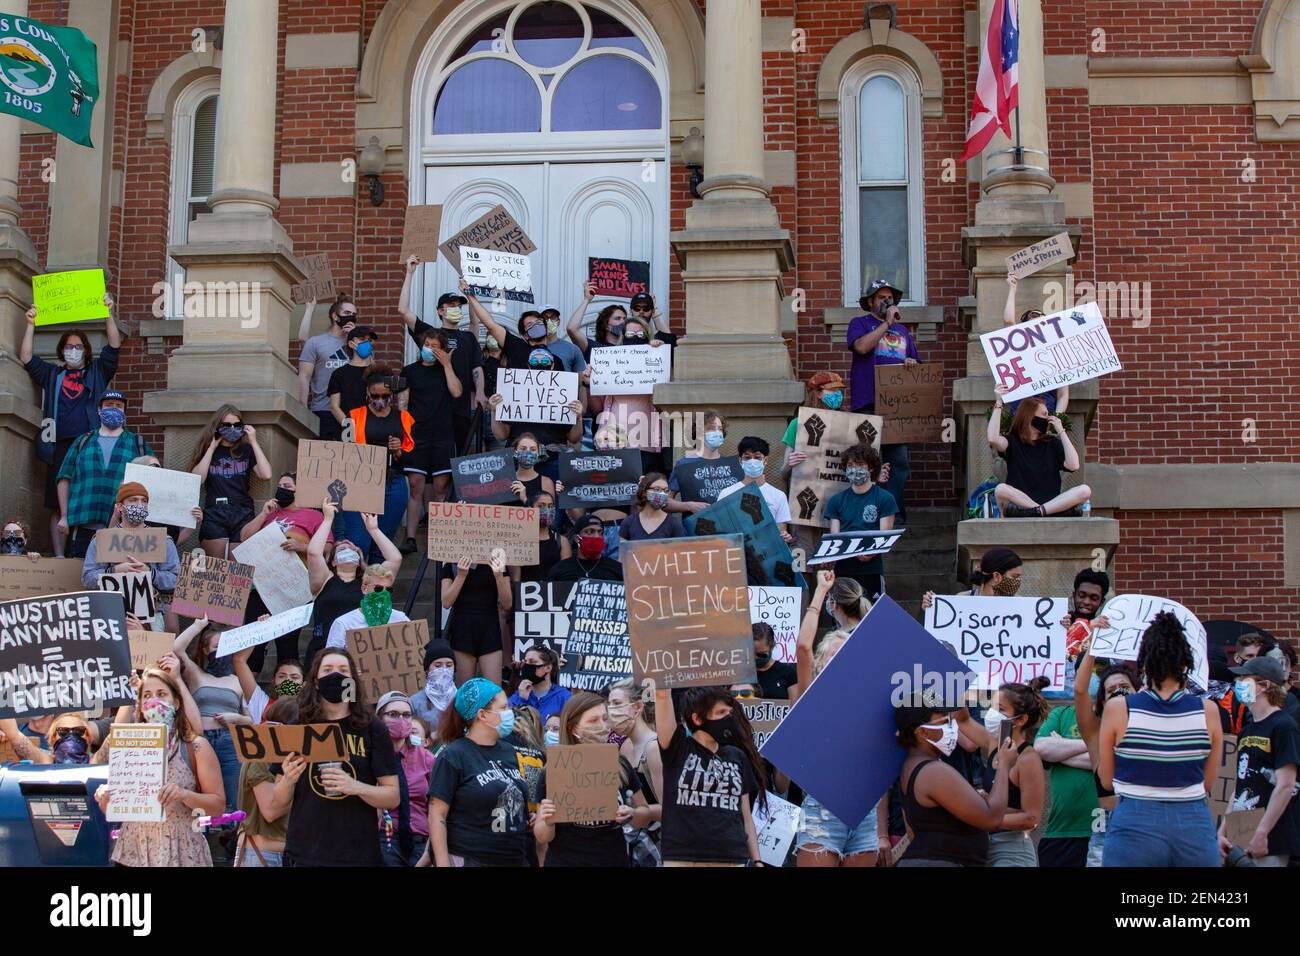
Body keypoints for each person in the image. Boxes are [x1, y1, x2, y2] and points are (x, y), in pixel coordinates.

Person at [1099, 612, 1223, 867]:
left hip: (1134, 820)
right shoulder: (1209, 711)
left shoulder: (1119, 709)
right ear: (1185, 662)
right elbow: (1208, 782)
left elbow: (1106, 779)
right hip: (1193, 822)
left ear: (1144, 662)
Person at [267, 649, 400, 867]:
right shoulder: (298, 725)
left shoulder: (372, 727)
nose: (335, 675)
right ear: (316, 682)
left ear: (352, 680)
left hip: (358, 853)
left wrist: (355, 786)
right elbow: (277, 804)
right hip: (305, 852)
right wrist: (288, 780)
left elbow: (393, 796)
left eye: (342, 670)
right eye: (327, 670)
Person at [22, 295, 122, 557]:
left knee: (86, 499)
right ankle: (59, 556)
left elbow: (114, 345)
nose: (73, 350)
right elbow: (26, 358)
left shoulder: (97, 372)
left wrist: (107, 313)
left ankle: (84, 554)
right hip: (59, 445)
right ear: (62, 350)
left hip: (90, 446)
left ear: (86, 350)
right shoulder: (53, 375)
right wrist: (31, 323)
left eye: (78, 346)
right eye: (68, 346)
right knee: (58, 503)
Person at [94, 666, 224, 867]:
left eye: (162, 694)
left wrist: (183, 795)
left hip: (182, 853)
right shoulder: (126, 744)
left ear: (177, 702)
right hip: (133, 852)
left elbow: (217, 806)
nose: (154, 700)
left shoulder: (196, 747)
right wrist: (107, 799)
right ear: (140, 704)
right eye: (147, 695)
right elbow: (113, 805)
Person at [791, 625, 885, 867]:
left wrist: (882, 832)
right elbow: (802, 648)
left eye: (848, 655)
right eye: (836, 655)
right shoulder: (812, 699)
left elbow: (882, 773)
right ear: (821, 663)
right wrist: (821, 590)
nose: (843, 660)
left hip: (865, 813)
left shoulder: (871, 707)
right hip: (823, 809)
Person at [534, 691, 657, 866]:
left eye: (605, 718)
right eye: (593, 720)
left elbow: (644, 816)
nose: (602, 725)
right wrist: (548, 821)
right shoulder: (553, 770)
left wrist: (632, 813)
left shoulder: (619, 764)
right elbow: (542, 836)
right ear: (574, 728)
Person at [894, 694, 1019, 867]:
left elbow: (914, 829)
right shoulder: (933, 772)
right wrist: (1004, 764)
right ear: (922, 731)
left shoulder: (913, 767)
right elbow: (992, 818)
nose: (951, 727)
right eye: (945, 722)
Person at [654, 685, 764, 866]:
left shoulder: (737, 756)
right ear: (697, 718)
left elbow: (745, 816)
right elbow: (661, 696)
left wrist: (757, 860)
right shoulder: (678, 747)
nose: (729, 717)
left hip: (731, 857)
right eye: (721, 712)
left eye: (730, 712)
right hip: (684, 858)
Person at [426, 678, 530, 867]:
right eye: (504, 707)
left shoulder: (509, 750)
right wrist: (442, 864)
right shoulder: (453, 755)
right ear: (482, 715)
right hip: (470, 858)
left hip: (514, 858)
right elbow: (437, 815)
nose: (510, 713)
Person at [955, 679, 1050, 866]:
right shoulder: (993, 744)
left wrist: (986, 816)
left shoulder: (1028, 759)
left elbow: (1031, 818)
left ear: (1021, 720)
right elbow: (963, 719)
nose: (992, 714)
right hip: (984, 846)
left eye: (1001, 709)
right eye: (992, 707)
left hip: (1012, 851)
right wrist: (953, 685)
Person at [846, 279, 920, 519]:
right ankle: (867, 513)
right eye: (881, 297)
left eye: (890, 298)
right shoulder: (860, 323)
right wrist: (886, 324)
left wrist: (911, 363)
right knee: (867, 459)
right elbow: (861, 348)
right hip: (868, 404)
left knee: (899, 462)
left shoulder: (903, 332)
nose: (887, 301)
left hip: (897, 408)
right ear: (870, 302)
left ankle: (892, 512)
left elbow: (915, 364)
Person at [399, 259, 487, 453]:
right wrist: (410, 274)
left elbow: (477, 367)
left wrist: (480, 391)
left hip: (462, 408)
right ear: (441, 310)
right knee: (438, 463)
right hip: (434, 411)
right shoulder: (431, 335)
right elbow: (403, 311)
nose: (456, 308)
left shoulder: (468, 338)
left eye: (459, 306)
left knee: (466, 457)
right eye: (451, 305)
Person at [1218, 655, 1299, 865]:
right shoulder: (1247, 730)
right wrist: (1223, 830)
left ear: (1264, 685)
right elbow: (1240, 783)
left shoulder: (1283, 725)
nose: (1238, 684)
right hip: (1242, 827)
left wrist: (1262, 833)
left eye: (1245, 679)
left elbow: (1286, 784)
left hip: (1272, 835)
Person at [56, 390, 154, 558]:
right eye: (109, 406)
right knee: (82, 576)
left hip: (124, 529)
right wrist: (64, 516)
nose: (114, 409)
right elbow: (64, 478)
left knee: (117, 574)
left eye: (118, 406)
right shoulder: (82, 441)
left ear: (124, 412)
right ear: (99, 410)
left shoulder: (137, 443)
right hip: (83, 525)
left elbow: (153, 477)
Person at [305, 499, 402, 668]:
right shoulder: (324, 580)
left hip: (363, 655)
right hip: (324, 652)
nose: (347, 547)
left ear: (359, 559)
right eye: (341, 548)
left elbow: (395, 559)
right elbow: (314, 552)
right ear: (334, 561)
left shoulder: (370, 582)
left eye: (352, 548)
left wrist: (373, 529)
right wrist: (327, 519)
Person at [171, 616, 246, 814]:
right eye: (216, 646)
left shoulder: (238, 681)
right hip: (200, 742)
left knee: (231, 801)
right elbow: (176, 650)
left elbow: (252, 719)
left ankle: (228, 838)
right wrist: (198, 625)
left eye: (226, 647)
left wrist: (235, 719)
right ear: (205, 650)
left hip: (229, 741)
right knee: (200, 796)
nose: (221, 651)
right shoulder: (196, 674)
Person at [1071, 643, 1137, 867]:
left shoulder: (1151, 726)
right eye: (1111, 690)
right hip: (1106, 826)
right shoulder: (1095, 733)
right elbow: (1080, 691)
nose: (1119, 691)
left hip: (1143, 824)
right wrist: (1092, 645)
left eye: (1125, 686)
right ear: (1103, 701)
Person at [400, 324, 463, 553]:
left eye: (435, 347)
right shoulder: (409, 371)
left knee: (440, 487)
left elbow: (456, 392)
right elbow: (402, 404)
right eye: (427, 345)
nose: (429, 349)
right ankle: (410, 537)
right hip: (417, 435)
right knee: (415, 485)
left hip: (443, 435)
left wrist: (446, 364)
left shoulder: (447, 369)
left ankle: (439, 537)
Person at [344, 368, 414, 561]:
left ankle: (377, 590)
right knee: (358, 543)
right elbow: (343, 450)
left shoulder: (404, 417)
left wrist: (399, 450)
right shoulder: (353, 415)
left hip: (393, 481)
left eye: (385, 395)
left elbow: (415, 455)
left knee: (383, 545)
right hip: (361, 483)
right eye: (375, 395)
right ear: (367, 393)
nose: (380, 400)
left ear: (391, 395)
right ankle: (353, 588)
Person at [988, 388, 1091, 517]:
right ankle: (1040, 510)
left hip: (1052, 502)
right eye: (1044, 414)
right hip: (1022, 503)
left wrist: (1061, 432)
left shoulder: (1052, 443)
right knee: (1001, 489)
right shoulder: (1012, 442)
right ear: (1030, 416)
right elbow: (993, 438)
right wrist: (998, 403)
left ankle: (1039, 511)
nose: (1048, 418)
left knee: (1084, 490)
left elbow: (1074, 465)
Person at [190, 404, 272, 559]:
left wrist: (253, 441)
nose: (232, 429)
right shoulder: (207, 449)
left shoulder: (246, 450)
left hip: (242, 510)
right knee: (216, 566)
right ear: (218, 426)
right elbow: (197, 480)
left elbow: (266, 474)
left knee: (237, 567)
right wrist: (212, 448)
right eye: (227, 425)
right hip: (215, 511)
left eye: (237, 425)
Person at [589, 315, 668, 473]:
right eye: (630, 335)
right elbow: (597, 407)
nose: (635, 338)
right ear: (623, 336)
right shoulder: (610, 362)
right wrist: (590, 381)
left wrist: (659, 355)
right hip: (612, 440)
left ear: (647, 336)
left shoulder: (657, 358)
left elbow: (667, 396)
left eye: (640, 335)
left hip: (644, 440)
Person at [822, 442, 897, 601]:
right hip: (843, 570)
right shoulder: (836, 501)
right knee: (842, 619)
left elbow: (884, 536)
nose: (855, 469)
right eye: (850, 465)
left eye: (860, 465)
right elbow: (835, 538)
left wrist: (871, 552)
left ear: (870, 468)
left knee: (873, 618)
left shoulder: (885, 499)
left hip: (872, 570)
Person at [1033, 694, 1100, 868]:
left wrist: (1061, 748)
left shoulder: (1117, 717)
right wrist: (1095, 745)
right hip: (1060, 832)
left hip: (1105, 832)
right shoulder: (1061, 714)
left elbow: (1113, 760)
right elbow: (1041, 747)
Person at [234, 695, 301, 867]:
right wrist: (287, 777)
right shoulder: (262, 755)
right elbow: (271, 811)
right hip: (263, 855)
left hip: (289, 854)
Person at [80, 481, 180, 596]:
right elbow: (87, 579)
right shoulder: (101, 540)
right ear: (120, 507)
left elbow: (176, 580)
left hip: (152, 609)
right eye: (133, 500)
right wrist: (114, 571)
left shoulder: (163, 540)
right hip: (112, 608)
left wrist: (149, 573)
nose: (139, 505)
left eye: (144, 501)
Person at [376, 691, 436, 866]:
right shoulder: (371, 755)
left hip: (421, 842)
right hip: (386, 839)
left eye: (406, 715)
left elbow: (438, 805)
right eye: (393, 714)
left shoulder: (426, 758)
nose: (401, 720)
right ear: (380, 718)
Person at [609, 678, 663, 864]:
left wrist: (640, 813)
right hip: (632, 842)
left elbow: (670, 808)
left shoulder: (654, 747)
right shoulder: (625, 746)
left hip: (657, 844)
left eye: (616, 704)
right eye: (609, 704)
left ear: (637, 707)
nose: (611, 710)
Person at [1001, 272, 1068, 415]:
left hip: (1045, 411)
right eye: (1030, 326)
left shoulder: (1056, 354)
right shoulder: (1017, 350)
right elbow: (1008, 322)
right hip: (1021, 411)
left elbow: (1063, 394)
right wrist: (1012, 289)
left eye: (1040, 325)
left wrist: (1056, 419)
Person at [442, 551, 511, 686]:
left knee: (494, 692)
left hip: (489, 628)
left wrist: (498, 576)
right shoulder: (451, 562)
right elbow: (446, 602)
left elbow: (507, 603)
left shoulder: (497, 561)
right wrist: (461, 576)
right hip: (462, 629)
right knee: (465, 691)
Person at [298, 294, 357, 439]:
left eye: (354, 315)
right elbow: (304, 377)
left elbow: (370, 372)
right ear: (335, 317)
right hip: (323, 411)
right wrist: (303, 409)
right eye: (347, 313)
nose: (351, 317)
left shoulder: (358, 343)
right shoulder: (316, 342)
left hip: (352, 413)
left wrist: (354, 338)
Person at [716, 437, 794, 542]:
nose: (752, 461)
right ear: (740, 461)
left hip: (767, 553)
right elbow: (720, 529)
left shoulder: (778, 496)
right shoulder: (726, 493)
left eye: (757, 457)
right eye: (747, 458)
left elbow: (781, 531)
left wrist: (785, 537)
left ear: (765, 460)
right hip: (736, 552)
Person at [325, 562, 410, 650]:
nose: (383, 593)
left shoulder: (401, 619)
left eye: (388, 589)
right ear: (364, 589)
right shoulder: (344, 623)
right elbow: (332, 657)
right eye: (378, 588)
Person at [667, 409, 738, 514]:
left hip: (730, 528)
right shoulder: (684, 465)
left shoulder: (732, 465)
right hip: (697, 527)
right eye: (711, 428)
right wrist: (688, 506)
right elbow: (665, 502)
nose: (717, 433)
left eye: (720, 429)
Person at [921, 547, 1024, 612]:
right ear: (996, 576)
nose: (1018, 581)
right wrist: (931, 609)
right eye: (1015, 577)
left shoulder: (1022, 605)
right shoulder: (962, 600)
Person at [232, 645, 303, 725]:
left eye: (294, 677)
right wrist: (256, 634)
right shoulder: (262, 703)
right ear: (273, 681)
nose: (288, 680)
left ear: (304, 683)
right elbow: (239, 660)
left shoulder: (311, 709)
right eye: (282, 676)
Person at [511, 491, 569, 585]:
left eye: (550, 506)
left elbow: (565, 578)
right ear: (530, 509)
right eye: (541, 506)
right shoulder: (518, 541)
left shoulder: (562, 541)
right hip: (527, 596)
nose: (547, 510)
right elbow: (515, 580)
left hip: (554, 596)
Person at [326, 324, 379, 427]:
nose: (367, 343)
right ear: (351, 344)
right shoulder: (339, 374)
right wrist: (349, 426)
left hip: (374, 429)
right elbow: (334, 406)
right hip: (349, 429)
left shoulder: (378, 372)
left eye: (370, 340)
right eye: (362, 339)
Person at [547, 513, 623, 583]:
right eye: (590, 532)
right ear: (577, 538)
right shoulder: (560, 570)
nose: (596, 536)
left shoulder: (617, 569)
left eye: (600, 532)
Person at [0, 712, 99, 765]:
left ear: (88, 737)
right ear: (52, 738)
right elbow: (14, 734)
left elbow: (115, 730)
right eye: (63, 731)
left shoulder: (96, 763)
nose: (71, 736)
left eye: (78, 731)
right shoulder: (45, 762)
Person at [508, 645, 570, 722]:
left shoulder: (564, 696)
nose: (527, 666)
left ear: (547, 668)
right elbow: (513, 727)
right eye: (525, 662)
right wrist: (522, 701)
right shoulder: (518, 696)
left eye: (532, 662)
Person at [619, 472, 685, 544]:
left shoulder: (674, 524)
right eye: (657, 489)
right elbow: (623, 551)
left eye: (666, 490)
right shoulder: (629, 522)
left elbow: (678, 551)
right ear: (644, 492)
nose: (662, 494)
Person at [409, 639, 457, 734]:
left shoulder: (462, 698)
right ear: (427, 670)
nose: (444, 670)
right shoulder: (414, 702)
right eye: (438, 666)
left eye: (449, 665)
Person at [536, 303, 587, 376]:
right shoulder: (528, 347)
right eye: (544, 318)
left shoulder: (572, 349)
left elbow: (581, 382)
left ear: (558, 321)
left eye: (553, 317)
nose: (549, 321)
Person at [752, 623, 798, 701]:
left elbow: (795, 706)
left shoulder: (788, 672)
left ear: (772, 646)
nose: (756, 658)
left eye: (761, 654)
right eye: (751, 653)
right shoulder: (741, 674)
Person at [508, 432, 555, 504]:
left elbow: (547, 514)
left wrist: (525, 500)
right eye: (523, 449)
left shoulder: (546, 482)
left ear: (538, 454)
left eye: (533, 450)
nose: (528, 452)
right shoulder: (505, 481)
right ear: (515, 452)